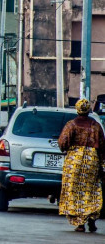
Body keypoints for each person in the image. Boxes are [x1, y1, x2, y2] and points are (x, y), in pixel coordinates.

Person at [58, 98, 105, 232]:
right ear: (89, 110)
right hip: (91, 162)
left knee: (75, 191)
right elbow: (102, 146)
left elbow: (63, 143)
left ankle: (80, 223)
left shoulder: (71, 125)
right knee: (91, 191)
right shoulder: (95, 125)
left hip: (74, 162)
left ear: (77, 109)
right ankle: (91, 219)